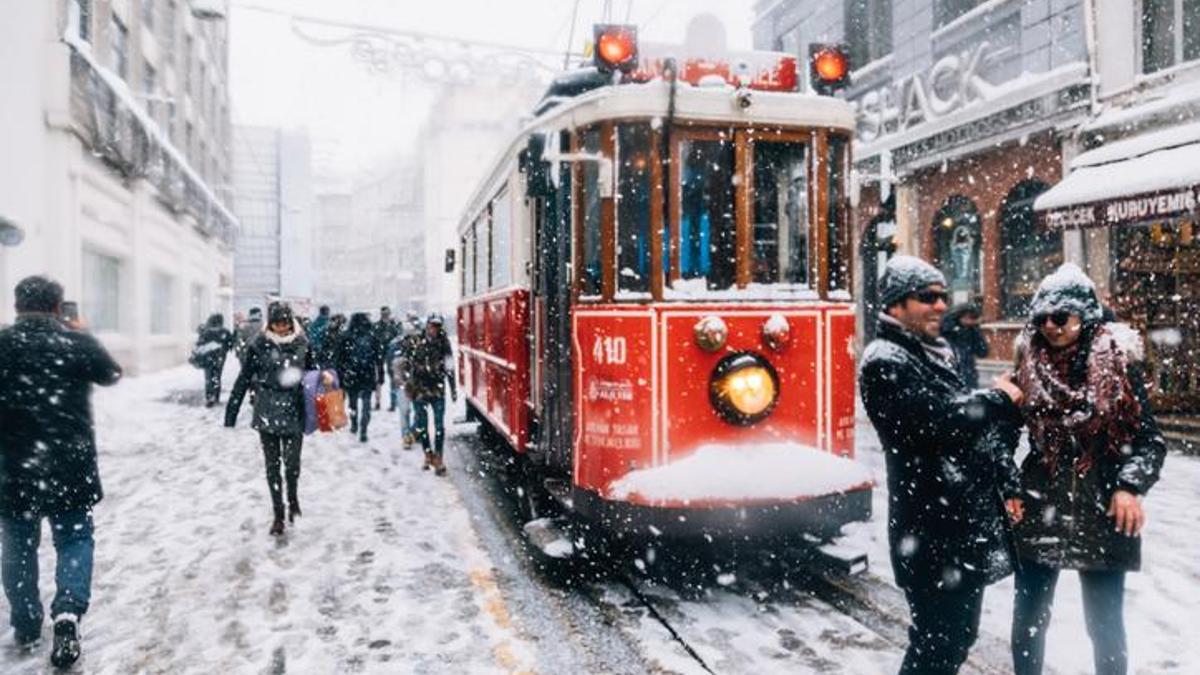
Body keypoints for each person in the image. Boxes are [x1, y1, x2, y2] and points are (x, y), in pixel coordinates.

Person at [858, 256, 1024, 675]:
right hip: (930, 533)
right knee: (937, 644)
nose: (939, 305)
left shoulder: (934, 353)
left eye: (942, 297)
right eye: (926, 297)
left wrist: (1007, 478)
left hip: (955, 531)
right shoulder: (885, 360)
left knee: (953, 641)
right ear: (895, 306)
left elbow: (967, 431)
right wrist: (997, 400)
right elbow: (936, 421)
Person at [1009, 263, 1166, 675]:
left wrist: (1129, 486)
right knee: (1029, 620)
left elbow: (1149, 441)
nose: (1050, 327)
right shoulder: (1027, 363)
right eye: (1042, 318)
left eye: (1060, 317)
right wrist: (1008, 486)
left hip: (1102, 507)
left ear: (1085, 315)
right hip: (1040, 501)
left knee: (1105, 625)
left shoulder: (1119, 365)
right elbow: (1001, 436)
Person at [0, 275, 122, 668]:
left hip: (13, 466)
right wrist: (80, 336)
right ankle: (67, 614)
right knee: (74, 539)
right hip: (70, 466)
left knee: (18, 544)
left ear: (17, 306)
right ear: (57, 306)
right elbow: (112, 373)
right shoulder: (74, 342)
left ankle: (27, 622)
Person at [225, 302, 320, 536]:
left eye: (285, 322)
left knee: (293, 465)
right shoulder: (259, 345)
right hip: (267, 410)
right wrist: (231, 413)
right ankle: (278, 513)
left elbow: (312, 372)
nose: (281, 328)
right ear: (270, 323)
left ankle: (293, 498)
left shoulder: (302, 343)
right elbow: (244, 378)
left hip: (294, 410)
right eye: (277, 323)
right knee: (272, 467)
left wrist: (324, 379)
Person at [405, 313, 457, 475]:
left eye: (437, 326)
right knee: (422, 425)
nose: (434, 329)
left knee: (439, 425)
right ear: (427, 325)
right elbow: (405, 363)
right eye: (432, 325)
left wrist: (453, 388)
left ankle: (439, 457)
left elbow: (450, 367)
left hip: (437, 389)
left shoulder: (444, 344)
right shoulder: (415, 341)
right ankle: (428, 454)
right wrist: (407, 382)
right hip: (419, 389)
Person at [334, 312, 382, 443]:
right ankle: (364, 429)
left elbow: (339, 359)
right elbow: (378, 358)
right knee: (366, 403)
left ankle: (354, 424)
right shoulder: (372, 336)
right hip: (368, 374)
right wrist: (380, 375)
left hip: (352, 374)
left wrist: (340, 375)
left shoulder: (346, 336)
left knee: (353, 402)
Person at [389, 311, 424, 449]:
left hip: (412, 382)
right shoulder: (396, 345)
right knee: (406, 411)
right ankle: (407, 436)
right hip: (403, 382)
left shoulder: (420, 344)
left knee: (414, 411)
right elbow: (391, 363)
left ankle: (411, 434)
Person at [941, 303, 989, 388]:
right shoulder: (946, 330)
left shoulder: (972, 332)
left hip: (968, 376)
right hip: (949, 374)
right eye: (967, 317)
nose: (969, 321)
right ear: (959, 316)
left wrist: (976, 331)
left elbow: (983, 352)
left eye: (972, 318)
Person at [193, 313, 234, 407]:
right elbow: (230, 344)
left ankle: (209, 396)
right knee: (217, 376)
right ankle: (216, 396)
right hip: (220, 358)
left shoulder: (206, 332)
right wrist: (224, 350)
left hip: (208, 358)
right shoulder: (224, 331)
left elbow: (200, 344)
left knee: (208, 377)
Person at [373, 306, 401, 411]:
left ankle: (389, 402)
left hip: (386, 354)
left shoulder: (380, 326)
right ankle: (383, 402)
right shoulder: (392, 326)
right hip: (385, 354)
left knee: (387, 379)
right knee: (381, 380)